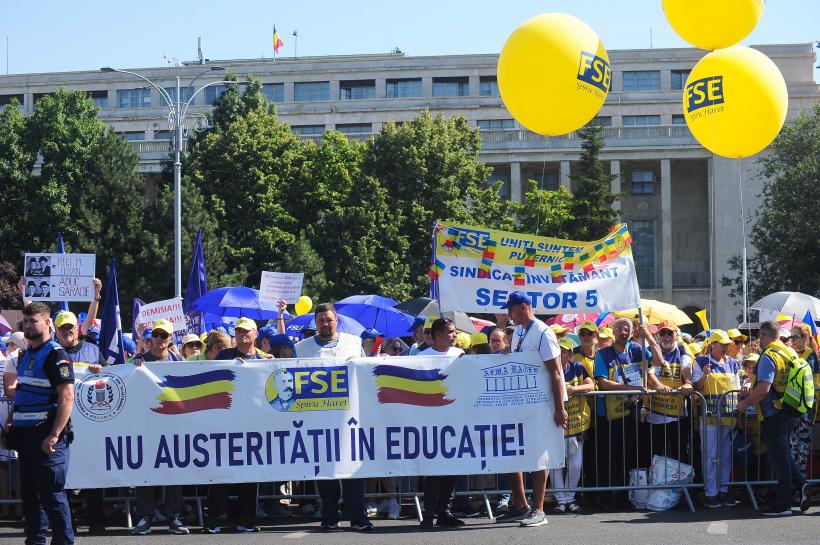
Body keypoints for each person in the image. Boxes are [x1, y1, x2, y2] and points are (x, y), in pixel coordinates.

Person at [294, 303, 372, 532]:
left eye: (329, 319)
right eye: (321, 321)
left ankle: (358, 517)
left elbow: (367, 374)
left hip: (350, 418)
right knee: (325, 471)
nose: (325, 324)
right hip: (318, 419)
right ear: (315, 323)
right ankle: (329, 516)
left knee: (353, 470)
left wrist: (360, 363)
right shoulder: (302, 348)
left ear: (336, 320)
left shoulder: (354, 342)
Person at [5, 303, 75, 545]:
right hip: (25, 436)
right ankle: (35, 541)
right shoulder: (25, 355)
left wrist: (54, 434)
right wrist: (10, 422)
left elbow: (67, 396)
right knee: (30, 495)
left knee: (52, 494)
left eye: (33, 321)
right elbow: (22, 394)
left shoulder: (56, 355)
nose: (27, 326)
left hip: (46, 435)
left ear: (47, 323)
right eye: (25, 321)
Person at [496, 292, 566, 528]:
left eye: (511, 309)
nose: (509, 314)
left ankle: (539, 510)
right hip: (522, 402)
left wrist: (559, 408)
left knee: (538, 455)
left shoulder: (544, 333)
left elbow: (556, 373)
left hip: (543, 403)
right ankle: (520, 505)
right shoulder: (518, 331)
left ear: (524, 307)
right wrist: (508, 354)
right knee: (512, 452)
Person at [738, 320, 810, 515]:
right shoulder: (789, 352)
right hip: (790, 409)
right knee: (784, 454)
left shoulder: (769, 355)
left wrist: (745, 403)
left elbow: (763, 389)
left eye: (759, 336)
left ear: (763, 336)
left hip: (773, 413)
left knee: (780, 460)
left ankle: (783, 504)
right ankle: (802, 485)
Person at [202, 317, 262, 534]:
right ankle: (213, 520)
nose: (242, 335)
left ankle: (246, 521)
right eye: (239, 331)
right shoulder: (224, 355)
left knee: (250, 476)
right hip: (225, 425)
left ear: (255, 334)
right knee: (221, 475)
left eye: (247, 331)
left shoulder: (264, 359)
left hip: (252, 426)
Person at [129, 319, 189, 535]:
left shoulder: (179, 361)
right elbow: (123, 379)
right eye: (156, 334)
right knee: (145, 470)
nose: (159, 339)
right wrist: (133, 366)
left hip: (173, 424)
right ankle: (145, 517)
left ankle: (174, 517)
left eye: (164, 335)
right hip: (146, 424)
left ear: (171, 339)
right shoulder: (138, 361)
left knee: (174, 471)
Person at [53, 311, 108, 534]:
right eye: (63, 328)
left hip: (90, 421)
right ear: (56, 331)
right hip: (60, 420)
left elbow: (111, 376)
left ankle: (97, 521)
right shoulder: (51, 352)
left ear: (77, 329)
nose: (67, 331)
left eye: (70, 327)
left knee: (91, 471)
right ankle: (68, 523)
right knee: (62, 474)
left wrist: (100, 370)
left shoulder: (93, 350)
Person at [593, 318, 650, 504]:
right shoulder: (603, 354)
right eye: (619, 329)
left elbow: (658, 361)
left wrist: (649, 336)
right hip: (607, 414)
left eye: (627, 329)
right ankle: (606, 497)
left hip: (630, 413)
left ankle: (624, 495)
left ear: (632, 332)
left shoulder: (636, 350)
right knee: (608, 456)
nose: (623, 332)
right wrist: (631, 389)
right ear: (613, 332)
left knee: (626, 455)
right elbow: (602, 383)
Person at [417, 318, 465, 528]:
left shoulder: (460, 354)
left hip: (454, 420)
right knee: (433, 469)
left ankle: (444, 511)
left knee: (452, 466)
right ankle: (428, 513)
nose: (455, 335)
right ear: (438, 335)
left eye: (455, 331)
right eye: (451, 331)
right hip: (431, 421)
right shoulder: (422, 357)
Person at [693, 330, 741, 509]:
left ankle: (723, 490)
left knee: (725, 455)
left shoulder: (733, 364)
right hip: (709, 418)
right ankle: (710, 493)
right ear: (713, 345)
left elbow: (737, 388)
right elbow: (696, 386)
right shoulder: (701, 362)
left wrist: (745, 387)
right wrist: (704, 376)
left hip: (728, 417)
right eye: (722, 344)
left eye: (727, 344)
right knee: (710, 455)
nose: (726, 347)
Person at [553, 337, 594, 513]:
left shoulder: (577, 366)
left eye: (563, 351)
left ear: (570, 355)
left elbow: (591, 386)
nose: (559, 354)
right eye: (557, 351)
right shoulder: (549, 368)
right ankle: (561, 500)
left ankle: (570, 497)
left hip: (576, 424)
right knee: (556, 464)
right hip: (555, 424)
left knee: (575, 465)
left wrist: (572, 389)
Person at [645, 321, 693, 461]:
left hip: (677, 412)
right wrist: (659, 386)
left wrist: (688, 382)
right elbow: (648, 372)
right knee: (654, 452)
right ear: (658, 335)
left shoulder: (682, 348)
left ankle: (681, 475)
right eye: (663, 333)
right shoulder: (650, 349)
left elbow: (686, 368)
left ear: (676, 335)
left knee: (680, 451)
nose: (666, 336)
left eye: (670, 333)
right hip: (655, 411)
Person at [787, 323, 818, 482]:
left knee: (802, 445)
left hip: (805, 406)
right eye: (790, 337)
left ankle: (801, 483)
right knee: (791, 444)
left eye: (795, 337)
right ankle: (793, 482)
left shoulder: (810, 355)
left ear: (805, 337)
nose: (792, 340)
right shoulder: (790, 353)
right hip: (791, 405)